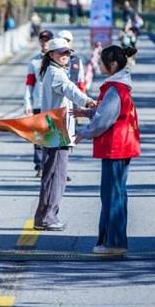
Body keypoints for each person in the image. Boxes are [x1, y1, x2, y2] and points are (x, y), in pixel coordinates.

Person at [76, 45, 140, 255]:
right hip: (121, 146)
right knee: (115, 193)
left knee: (112, 195)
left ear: (112, 64)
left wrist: (84, 132)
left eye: (102, 62)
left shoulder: (115, 89)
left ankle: (114, 243)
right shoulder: (120, 86)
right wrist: (87, 113)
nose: (99, 65)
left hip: (116, 146)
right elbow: (106, 113)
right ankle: (111, 241)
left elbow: (103, 121)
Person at [33, 38, 96, 231]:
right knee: (57, 176)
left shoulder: (52, 71)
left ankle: (42, 217)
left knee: (50, 175)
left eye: (68, 52)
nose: (66, 55)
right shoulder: (56, 73)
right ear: (51, 54)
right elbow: (71, 90)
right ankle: (49, 218)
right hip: (58, 130)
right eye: (62, 52)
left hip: (53, 129)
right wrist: (88, 102)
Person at [24, 29, 54, 177]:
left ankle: (53, 166)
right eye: (42, 40)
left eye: (47, 40)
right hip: (38, 103)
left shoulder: (58, 60)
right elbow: (29, 84)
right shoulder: (34, 62)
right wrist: (28, 104)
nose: (44, 43)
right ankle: (39, 166)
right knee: (39, 137)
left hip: (54, 104)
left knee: (54, 137)